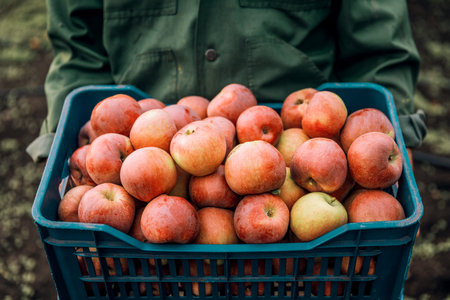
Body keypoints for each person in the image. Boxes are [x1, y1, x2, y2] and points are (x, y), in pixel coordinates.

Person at [27, 0, 427, 162]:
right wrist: (66, 144)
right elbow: (78, 48)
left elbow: (379, 47)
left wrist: (380, 150)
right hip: (132, 156)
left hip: (305, 150)